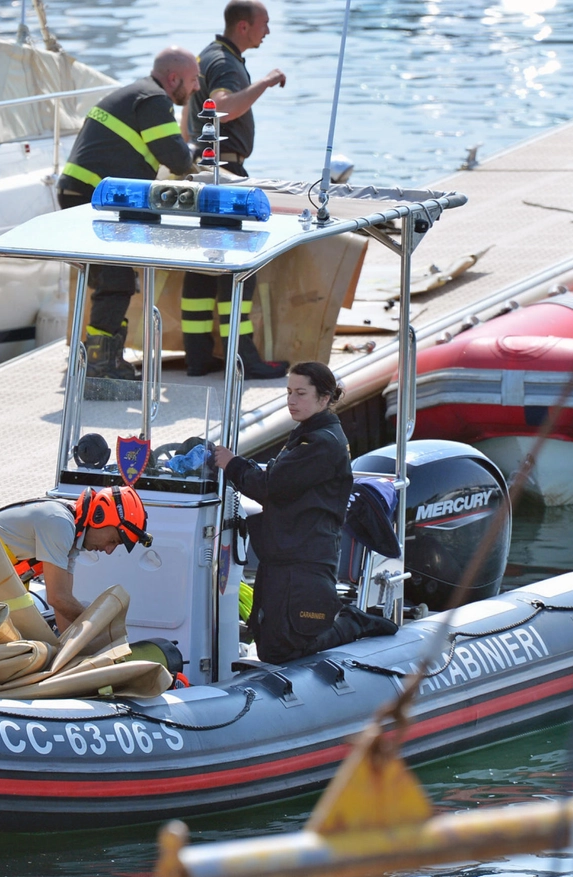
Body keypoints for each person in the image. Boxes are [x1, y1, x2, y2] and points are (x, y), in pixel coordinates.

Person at [212, 362, 395, 664]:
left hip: (303, 561)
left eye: (300, 393)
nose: (291, 401)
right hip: (283, 557)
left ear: (324, 399)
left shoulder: (322, 442)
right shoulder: (308, 433)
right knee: (266, 639)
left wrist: (232, 464)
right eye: (288, 392)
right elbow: (282, 477)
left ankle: (353, 622)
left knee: (287, 646)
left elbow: (270, 485)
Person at [56, 48, 200, 382]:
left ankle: (103, 360)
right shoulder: (153, 100)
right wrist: (195, 159)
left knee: (110, 280)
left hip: (85, 194)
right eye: (193, 81)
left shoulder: (134, 93)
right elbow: (177, 159)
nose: (194, 89)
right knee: (116, 280)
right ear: (174, 78)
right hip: (95, 198)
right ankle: (101, 367)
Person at [180, 0, 289, 380]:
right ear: (243, 27)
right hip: (224, 169)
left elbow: (188, 114)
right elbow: (222, 108)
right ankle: (242, 358)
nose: (268, 31)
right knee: (236, 265)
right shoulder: (226, 62)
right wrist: (265, 81)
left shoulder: (206, 56)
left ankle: (197, 356)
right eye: (264, 24)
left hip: (202, 167)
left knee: (198, 266)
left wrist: (188, 154)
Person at [0, 486, 152, 630]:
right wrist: (99, 628)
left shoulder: (73, 536)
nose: (109, 550)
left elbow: (64, 605)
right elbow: (57, 598)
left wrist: (73, 648)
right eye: (113, 541)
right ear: (99, 518)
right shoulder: (60, 523)